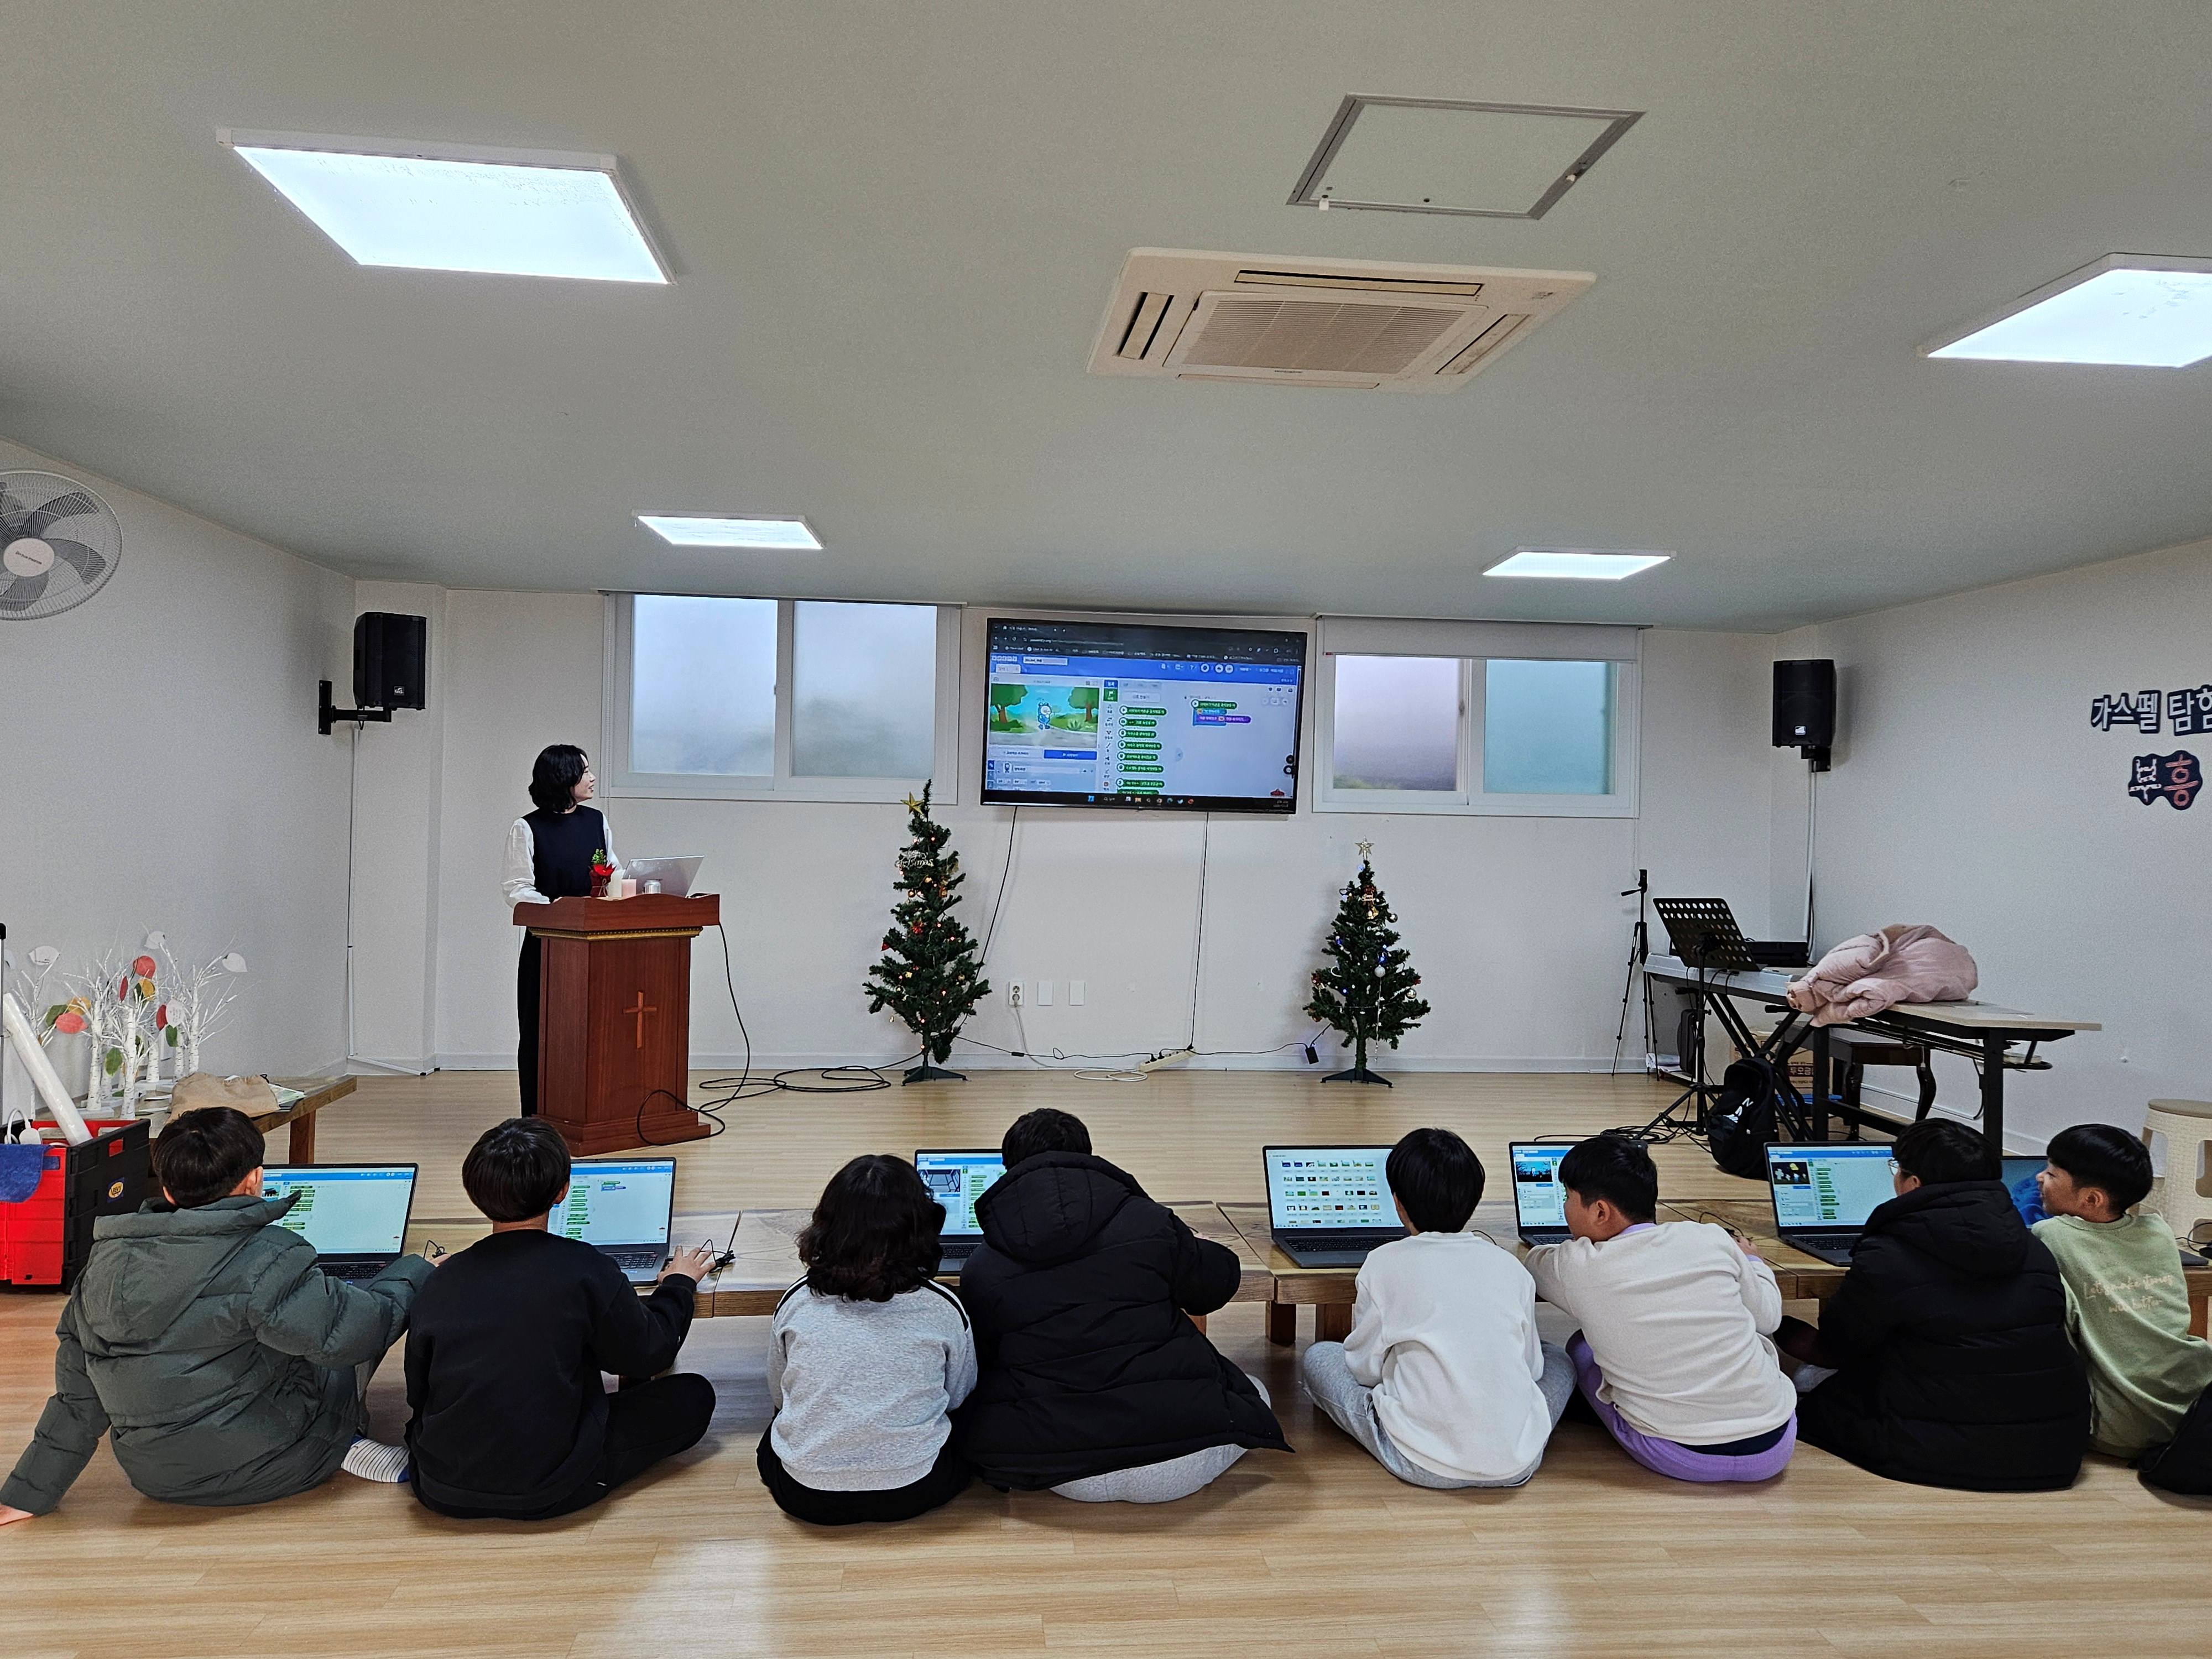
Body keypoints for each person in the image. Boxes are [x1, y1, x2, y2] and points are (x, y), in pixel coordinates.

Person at [0, 1107, 435, 1525]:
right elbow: (360, 1333)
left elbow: (77, 1397)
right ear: (255, 1179)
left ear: (168, 1190)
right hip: (274, 1463)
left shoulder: (103, 1266)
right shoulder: (268, 1256)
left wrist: (26, 1494)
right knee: (341, 1330)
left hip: (157, 1479)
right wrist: (419, 1273)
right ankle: (342, 1441)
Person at [957, 1107, 1288, 1501]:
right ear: (1087, 1157)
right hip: (1179, 1459)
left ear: (1009, 1168)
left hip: (1061, 1469)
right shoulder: (1150, 1222)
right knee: (1256, 1391)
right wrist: (1187, 1245)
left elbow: (984, 1363)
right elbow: (1211, 1290)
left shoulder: (982, 1266)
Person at [403, 1118, 716, 1520]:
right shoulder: (585, 1268)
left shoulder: (440, 1278)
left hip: (440, 1487)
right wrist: (678, 1285)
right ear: (562, 1191)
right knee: (694, 1395)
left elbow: (419, 1391)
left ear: (474, 1192)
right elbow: (650, 1353)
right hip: (551, 1488)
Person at [1786, 1117, 2088, 1490]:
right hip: (2053, 1450)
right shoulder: (2033, 1246)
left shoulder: (1889, 1254)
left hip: (1937, 1451)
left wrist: (1773, 1323)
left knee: (1804, 1393)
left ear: (1913, 1184)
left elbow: (1837, 1348)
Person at [1300, 1128, 1575, 1489]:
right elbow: (1532, 1368)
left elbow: (1364, 1370)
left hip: (1420, 1459)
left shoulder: (1383, 1264)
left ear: (1398, 1203)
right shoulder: (1510, 1267)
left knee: (1319, 1356)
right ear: (1474, 1200)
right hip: (1517, 1461)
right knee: (1560, 1359)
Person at [1526, 1134, 1798, 1483]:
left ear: (1600, 1211)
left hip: (1680, 1453)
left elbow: (1534, 1264)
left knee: (1582, 1345)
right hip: (1773, 1445)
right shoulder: (1711, 1239)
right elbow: (1768, 1318)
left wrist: (1570, 1249)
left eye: (1568, 1198)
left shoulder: (1577, 1265)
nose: (1565, 1208)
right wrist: (1754, 1263)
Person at [757, 1155, 978, 1524]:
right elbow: (958, 1396)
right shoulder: (944, 1306)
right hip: (915, 1489)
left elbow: (779, 1394)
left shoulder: (796, 1301)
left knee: (774, 1437)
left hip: (804, 1495)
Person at [2032, 1123, 2212, 1460]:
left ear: (2092, 1199)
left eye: (2052, 1174)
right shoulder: (2159, 1230)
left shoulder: (2052, 1235)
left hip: (2118, 1431)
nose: (2040, 1178)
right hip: (2192, 1412)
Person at [504, 743, 620, 1114]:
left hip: (596, 943)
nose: (593, 778)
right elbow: (517, 889)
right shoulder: (527, 828)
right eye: (585, 772)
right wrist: (562, 911)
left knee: (595, 1030)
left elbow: (613, 873)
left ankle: (592, 1113)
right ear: (562, 777)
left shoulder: (596, 821)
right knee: (542, 1032)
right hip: (548, 946)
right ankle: (538, 1118)